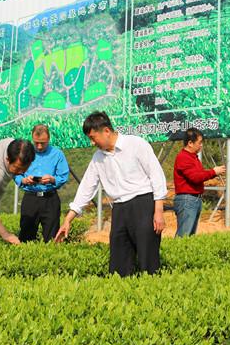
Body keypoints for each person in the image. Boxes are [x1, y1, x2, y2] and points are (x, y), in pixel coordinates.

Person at [55, 112, 167, 276]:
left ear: (106, 131)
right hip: (119, 209)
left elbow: (156, 175)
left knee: (148, 259)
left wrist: (158, 211)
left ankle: (153, 289)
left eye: (93, 138)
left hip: (143, 204)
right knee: (118, 262)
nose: (92, 143)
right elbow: (86, 188)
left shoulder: (136, 144)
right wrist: (68, 220)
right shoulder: (97, 158)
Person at [14, 124, 70, 242]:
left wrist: (52, 179)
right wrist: (23, 180)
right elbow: (16, 172)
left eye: (43, 143)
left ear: (48, 139)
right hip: (30, 198)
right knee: (26, 237)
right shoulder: (24, 153)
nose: (39, 146)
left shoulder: (57, 154)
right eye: (36, 143)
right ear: (32, 138)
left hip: (50, 199)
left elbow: (63, 176)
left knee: (52, 237)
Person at [173, 127, 225, 237]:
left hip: (194, 199)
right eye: (199, 142)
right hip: (187, 200)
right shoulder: (183, 157)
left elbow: (199, 175)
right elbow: (195, 177)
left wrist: (213, 172)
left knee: (190, 236)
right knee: (184, 236)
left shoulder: (193, 157)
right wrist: (213, 172)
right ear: (190, 143)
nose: (201, 145)